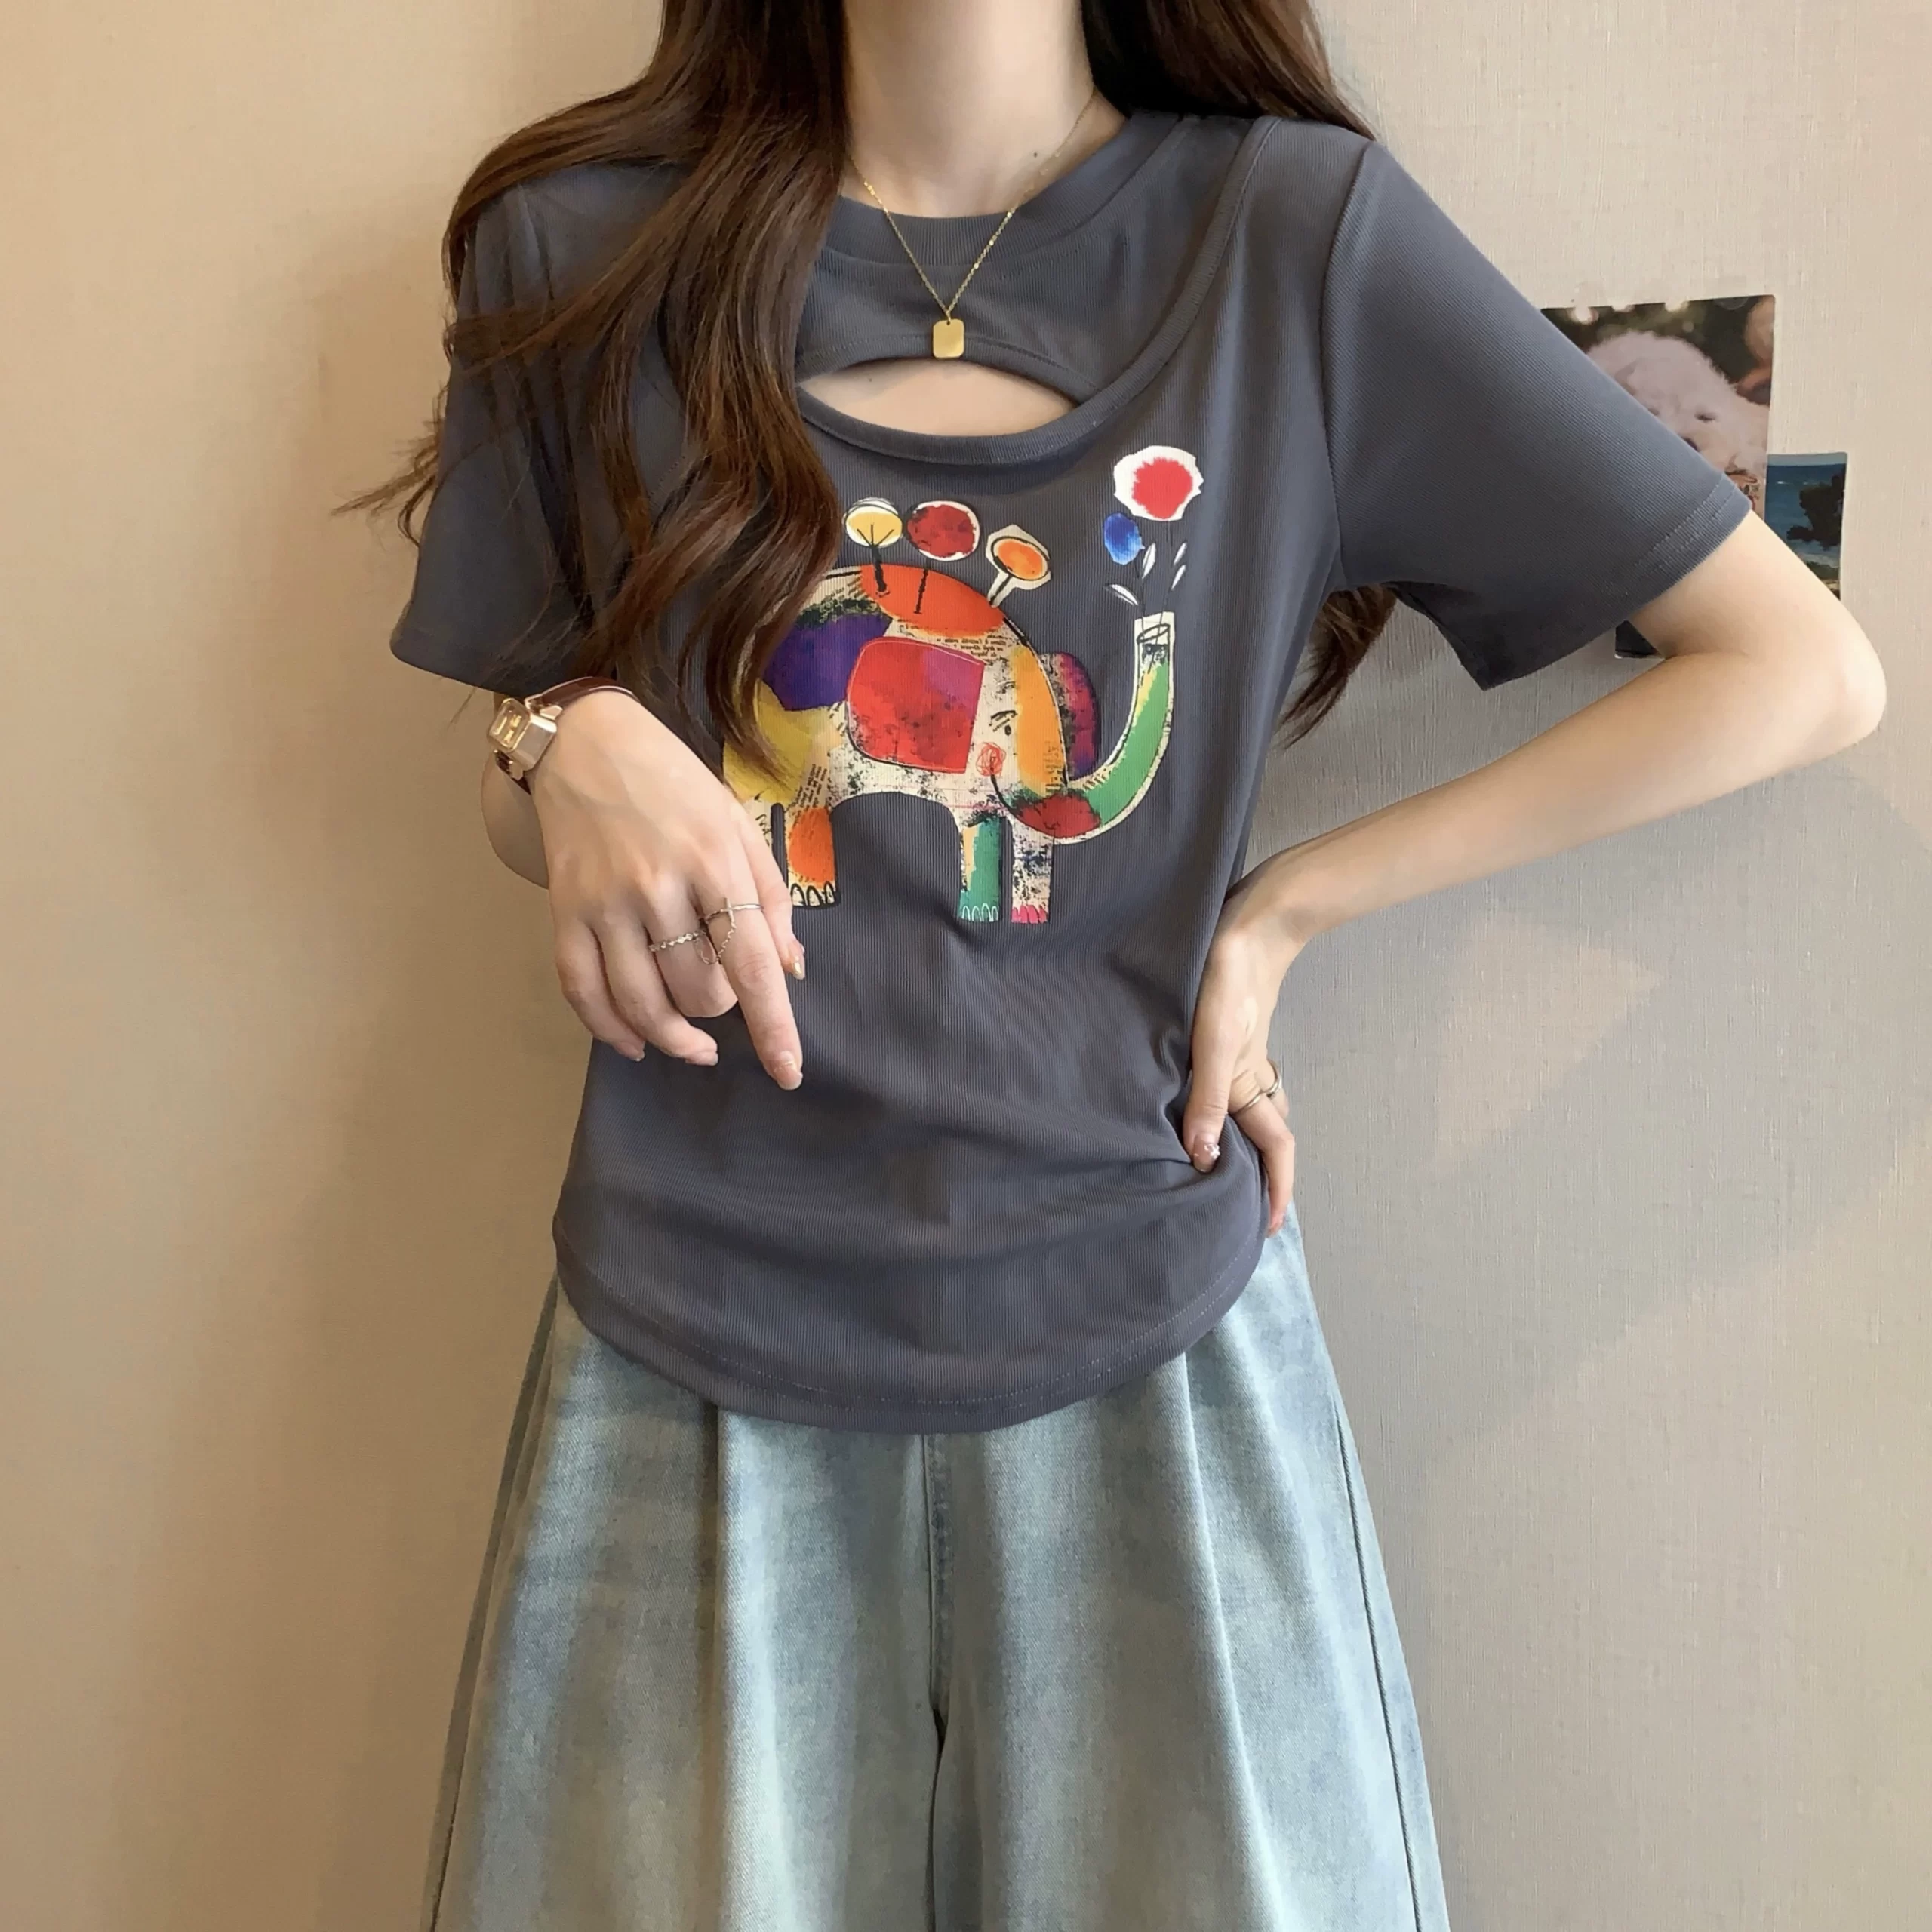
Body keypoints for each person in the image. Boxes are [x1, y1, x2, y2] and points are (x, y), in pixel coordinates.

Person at [371, 2, 1886, 1927]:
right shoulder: (589, 247)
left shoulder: (1292, 240)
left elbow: (1797, 668)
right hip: (689, 1335)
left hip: (1151, 1324)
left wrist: (1289, 905)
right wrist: (556, 731)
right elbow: (547, 811)